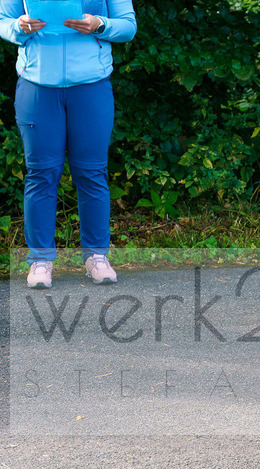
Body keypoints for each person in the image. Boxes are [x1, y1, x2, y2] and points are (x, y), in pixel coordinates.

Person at [0, 0, 137, 289]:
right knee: (41, 174)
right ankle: (40, 260)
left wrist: (100, 25)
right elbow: (3, 21)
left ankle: (96, 256)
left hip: (91, 86)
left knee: (91, 173)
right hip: (37, 86)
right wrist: (19, 27)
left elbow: (128, 25)